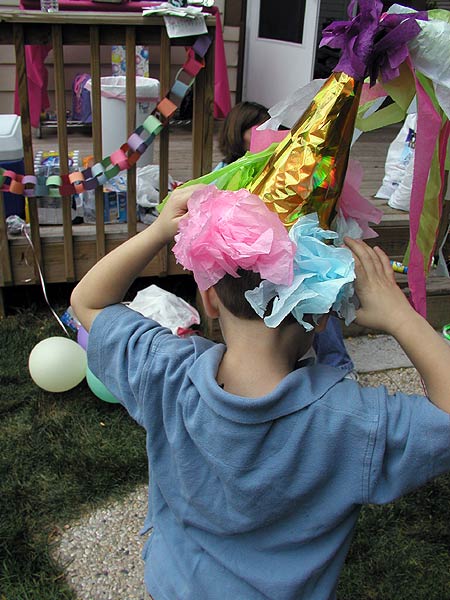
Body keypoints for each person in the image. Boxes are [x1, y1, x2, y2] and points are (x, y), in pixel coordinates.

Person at [71, 184, 450, 600]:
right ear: (321, 316)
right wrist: (399, 316)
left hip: (174, 582)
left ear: (210, 301)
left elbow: (88, 303)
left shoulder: (165, 374)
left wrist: (161, 231)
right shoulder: (352, 424)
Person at [216, 101, 356, 376]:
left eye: (266, 125)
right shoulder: (227, 171)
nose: (261, 131)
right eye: (253, 127)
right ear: (236, 131)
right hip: (250, 262)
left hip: (291, 251)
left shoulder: (285, 163)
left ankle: (338, 363)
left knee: (318, 294)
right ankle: (270, 367)